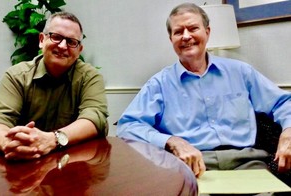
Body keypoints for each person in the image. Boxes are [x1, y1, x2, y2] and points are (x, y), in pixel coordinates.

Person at [116, 3, 291, 178]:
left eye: (193, 28)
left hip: (247, 162)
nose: (186, 36)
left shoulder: (241, 72)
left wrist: (288, 130)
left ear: (207, 32)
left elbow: (283, 103)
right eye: (178, 32)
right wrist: (171, 141)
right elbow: (127, 126)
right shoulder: (159, 84)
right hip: (191, 166)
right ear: (171, 39)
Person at [0, 11, 109, 160]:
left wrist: (52, 140)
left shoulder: (90, 77)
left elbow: (95, 118)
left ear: (79, 50)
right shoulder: (17, 76)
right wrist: (8, 144)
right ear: (42, 40)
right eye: (56, 37)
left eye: (71, 42)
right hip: (26, 167)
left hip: (73, 165)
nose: (62, 46)